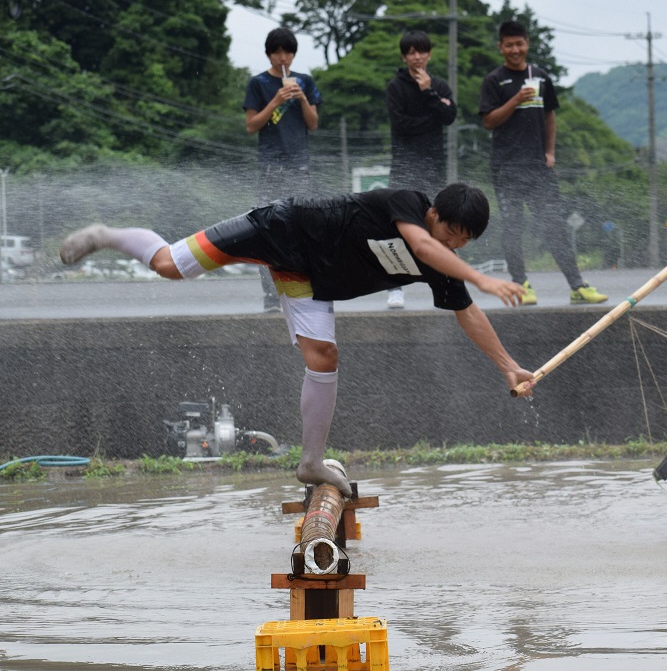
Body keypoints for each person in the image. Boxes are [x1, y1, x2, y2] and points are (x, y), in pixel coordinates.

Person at [58, 184, 534, 497]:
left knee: (324, 357)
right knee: (169, 266)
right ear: (432, 213)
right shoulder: (406, 204)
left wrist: (508, 365)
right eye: (450, 232)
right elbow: (424, 245)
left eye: (464, 242)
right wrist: (485, 279)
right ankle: (106, 234)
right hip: (280, 227)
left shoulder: (441, 261)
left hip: (307, 278)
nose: (453, 246)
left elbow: (466, 314)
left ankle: (311, 463)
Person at [479, 21, 606, 307]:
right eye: (509, 45)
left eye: (519, 44)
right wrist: (515, 100)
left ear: (527, 44)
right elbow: (488, 121)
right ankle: (520, 285)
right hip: (506, 167)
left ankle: (577, 286)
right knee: (513, 226)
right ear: (501, 47)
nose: (515, 50)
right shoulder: (494, 81)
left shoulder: (541, 77)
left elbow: (549, 116)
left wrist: (550, 153)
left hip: (539, 167)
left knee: (554, 226)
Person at [244, 27, 323, 313]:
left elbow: (313, 124)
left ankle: (304, 290)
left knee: (303, 228)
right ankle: (271, 295)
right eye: (277, 52)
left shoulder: (305, 82)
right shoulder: (258, 83)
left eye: (287, 52)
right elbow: (251, 126)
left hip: (300, 166)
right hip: (270, 168)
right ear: (269, 54)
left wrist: (301, 98)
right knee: (267, 229)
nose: (282, 57)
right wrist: (276, 100)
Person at [384, 30, 458, 311]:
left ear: (429, 54)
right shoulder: (395, 87)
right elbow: (402, 125)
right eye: (411, 52)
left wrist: (430, 93)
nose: (417, 57)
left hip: (434, 166)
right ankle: (395, 287)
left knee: (439, 225)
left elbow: (450, 117)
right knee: (399, 227)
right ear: (404, 56)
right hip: (403, 166)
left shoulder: (438, 85)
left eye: (422, 51)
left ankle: (443, 284)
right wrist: (434, 113)